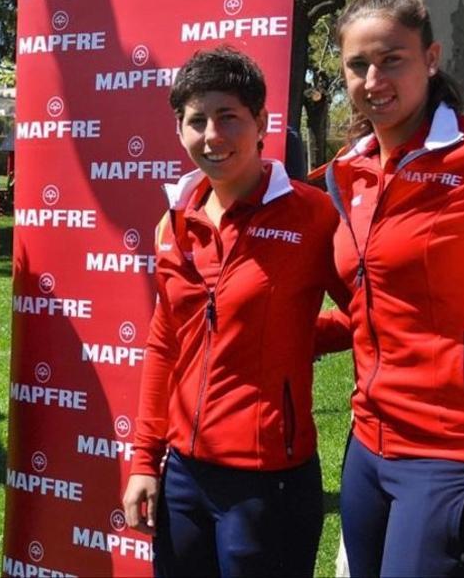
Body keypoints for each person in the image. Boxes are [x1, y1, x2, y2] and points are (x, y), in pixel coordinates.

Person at [313, 0, 464, 577]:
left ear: (431, 58)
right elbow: (374, 301)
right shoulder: (349, 172)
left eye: (393, 59)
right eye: (357, 65)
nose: (373, 78)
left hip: (455, 449)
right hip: (367, 443)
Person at [121, 47, 350, 576]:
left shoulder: (312, 215)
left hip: (268, 481)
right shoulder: (175, 220)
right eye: (196, 121)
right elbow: (164, 344)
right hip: (182, 476)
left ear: (261, 122)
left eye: (228, 117)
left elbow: (371, 314)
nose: (212, 135)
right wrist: (143, 461)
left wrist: (297, 335)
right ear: (179, 130)